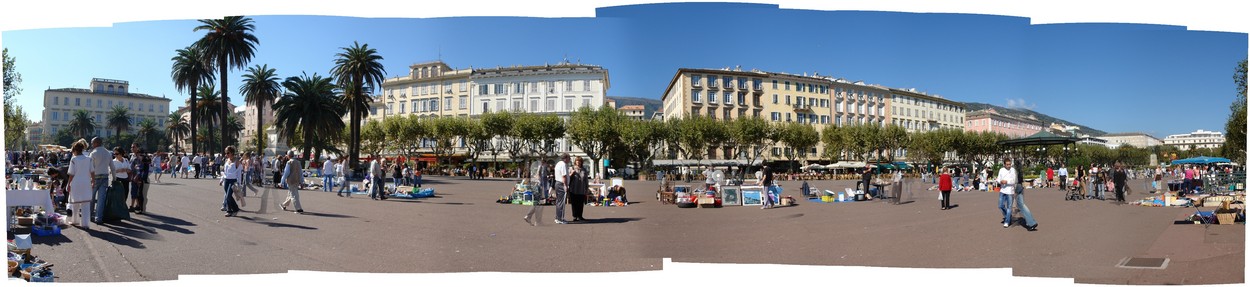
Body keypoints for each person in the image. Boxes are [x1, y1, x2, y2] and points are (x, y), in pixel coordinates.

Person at [67, 140, 95, 228]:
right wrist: (93, 181)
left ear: (75, 150)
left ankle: (75, 221)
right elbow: (92, 172)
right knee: (86, 204)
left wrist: (68, 184)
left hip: (76, 183)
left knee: (75, 203)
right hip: (86, 183)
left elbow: (71, 174)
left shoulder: (74, 159)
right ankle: (86, 224)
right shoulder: (89, 159)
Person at [88, 137, 113, 224]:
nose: (91, 145)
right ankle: (98, 218)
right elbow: (112, 167)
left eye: (92, 143)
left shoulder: (93, 153)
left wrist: (89, 178)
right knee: (101, 199)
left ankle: (89, 215)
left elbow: (90, 168)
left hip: (95, 177)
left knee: (91, 197)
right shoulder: (108, 152)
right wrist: (114, 178)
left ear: (96, 143)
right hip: (105, 177)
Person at [1012, 160, 1039, 231]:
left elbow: (1013, 180)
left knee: (1021, 206)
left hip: (1017, 186)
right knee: (1022, 205)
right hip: (1020, 186)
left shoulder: (1014, 171)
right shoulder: (1019, 170)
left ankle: (1031, 222)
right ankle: (1030, 221)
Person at [219, 147, 243, 217]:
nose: (226, 154)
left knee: (228, 196)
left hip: (233, 180)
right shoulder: (227, 160)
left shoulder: (237, 161)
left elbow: (239, 173)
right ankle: (229, 210)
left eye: (228, 153)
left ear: (232, 153)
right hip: (226, 180)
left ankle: (235, 209)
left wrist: (239, 183)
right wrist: (222, 179)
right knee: (227, 196)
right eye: (225, 153)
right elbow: (225, 172)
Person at [524, 160, 549, 226]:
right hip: (539, 186)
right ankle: (538, 221)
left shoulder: (534, 167)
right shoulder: (541, 167)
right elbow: (541, 178)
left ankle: (528, 216)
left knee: (536, 203)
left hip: (534, 185)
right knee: (540, 204)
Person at [996, 159, 1017, 228]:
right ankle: (1008, 216)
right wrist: (1000, 181)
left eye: (1009, 164)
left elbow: (1014, 180)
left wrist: (1007, 181)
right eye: (1007, 164)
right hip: (1002, 190)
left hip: (1010, 191)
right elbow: (998, 179)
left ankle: (1007, 221)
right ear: (1004, 164)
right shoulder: (1001, 170)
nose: (1009, 166)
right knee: (1000, 206)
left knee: (1009, 207)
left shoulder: (1013, 170)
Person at [568, 156, 589, 222]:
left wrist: (586, 188)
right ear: (575, 162)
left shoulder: (584, 169)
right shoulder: (571, 168)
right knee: (574, 203)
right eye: (577, 161)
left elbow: (586, 179)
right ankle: (575, 216)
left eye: (580, 161)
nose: (578, 162)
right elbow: (568, 178)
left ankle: (580, 216)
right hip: (573, 188)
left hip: (581, 188)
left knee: (580, 203)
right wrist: (571, 174)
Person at [130, 149, 151, 214]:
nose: (139, 156)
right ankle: (139, 207)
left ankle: (141, 209)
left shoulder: (145, 160)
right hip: (138, 179)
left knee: (141, 194)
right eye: (139, 154)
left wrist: (138, 177)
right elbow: (134, 168)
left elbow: (142, 170)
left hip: (142, 179)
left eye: (141, 154)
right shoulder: (137, 160)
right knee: (138, 194)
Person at [553, 153, 570, 224]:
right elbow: (564, 176)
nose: (569, 160)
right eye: (569, 158)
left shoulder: (558, 163)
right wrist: (565, 185)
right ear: (565, 158)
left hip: (557, 183)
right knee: (562, 202)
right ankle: (560, 218)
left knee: (558, 201)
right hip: (561, 184)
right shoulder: (563, 164)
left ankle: (558, 217)